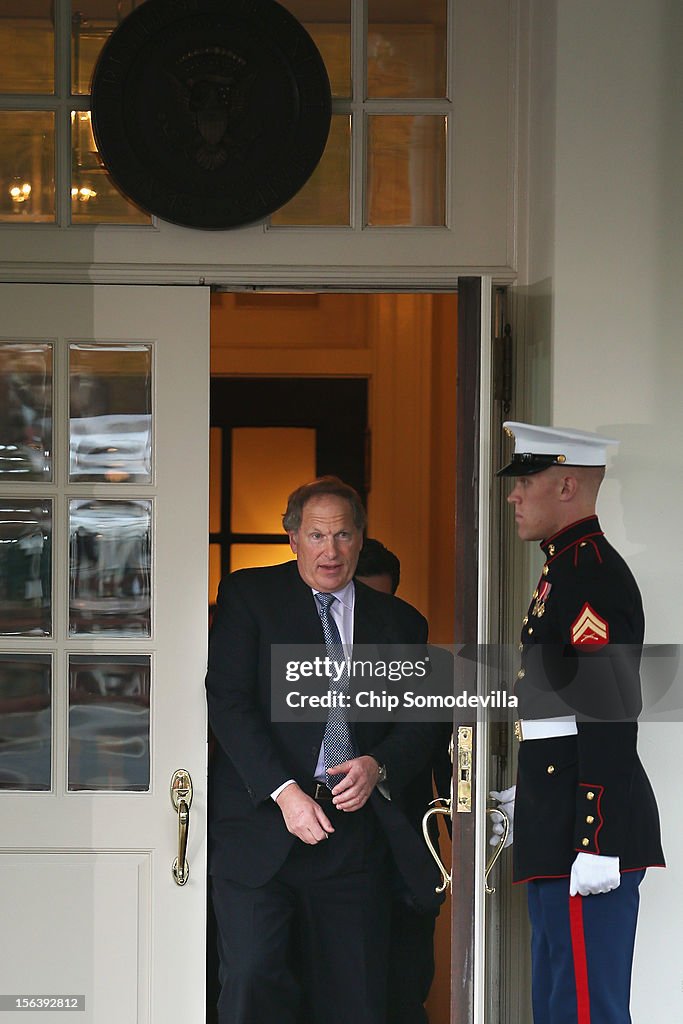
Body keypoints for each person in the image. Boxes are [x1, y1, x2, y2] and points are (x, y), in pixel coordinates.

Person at [206, 477, 443, 1024]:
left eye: (342, 535)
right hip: (264, 826)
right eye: (316, 535)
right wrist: (284, 793)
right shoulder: (250, 597)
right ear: (292, 538)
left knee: (353, 996)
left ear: (361, 539)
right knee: (253, 981)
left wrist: (378, 764)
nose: (330, 551)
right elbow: (229, 701)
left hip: (353, 838)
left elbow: (421, 720)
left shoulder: (401, 623)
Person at [491, 421, 665, 1024]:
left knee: (585, 1010)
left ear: (567, 485)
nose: (513, 495)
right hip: (557, 817)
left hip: (583, 830)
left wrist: (594, 837)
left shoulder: (588, 572)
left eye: (527, 481)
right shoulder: (562, 568)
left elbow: (609, 709)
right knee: (560, 1005)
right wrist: (530, 792)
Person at [356, 538, 451, 1024]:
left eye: (382, 605)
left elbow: (455, 766)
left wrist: (473, 843)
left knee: (405, 991)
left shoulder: (427, 667)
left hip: (408, 856)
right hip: (335, 855)